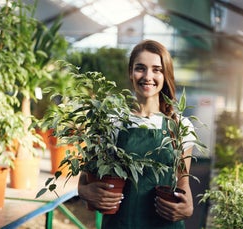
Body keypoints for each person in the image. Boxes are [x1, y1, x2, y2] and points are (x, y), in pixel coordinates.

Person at [78, 39, 195, 228]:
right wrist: (85, 192)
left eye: (157, 69)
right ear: (130, 73)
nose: (148, 76)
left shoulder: (180, 126)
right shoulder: (111, 121)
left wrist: (188, 208)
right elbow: (85, 178)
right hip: (121, 223)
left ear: (166, 75)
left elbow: (183, 185)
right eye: (141, 68)